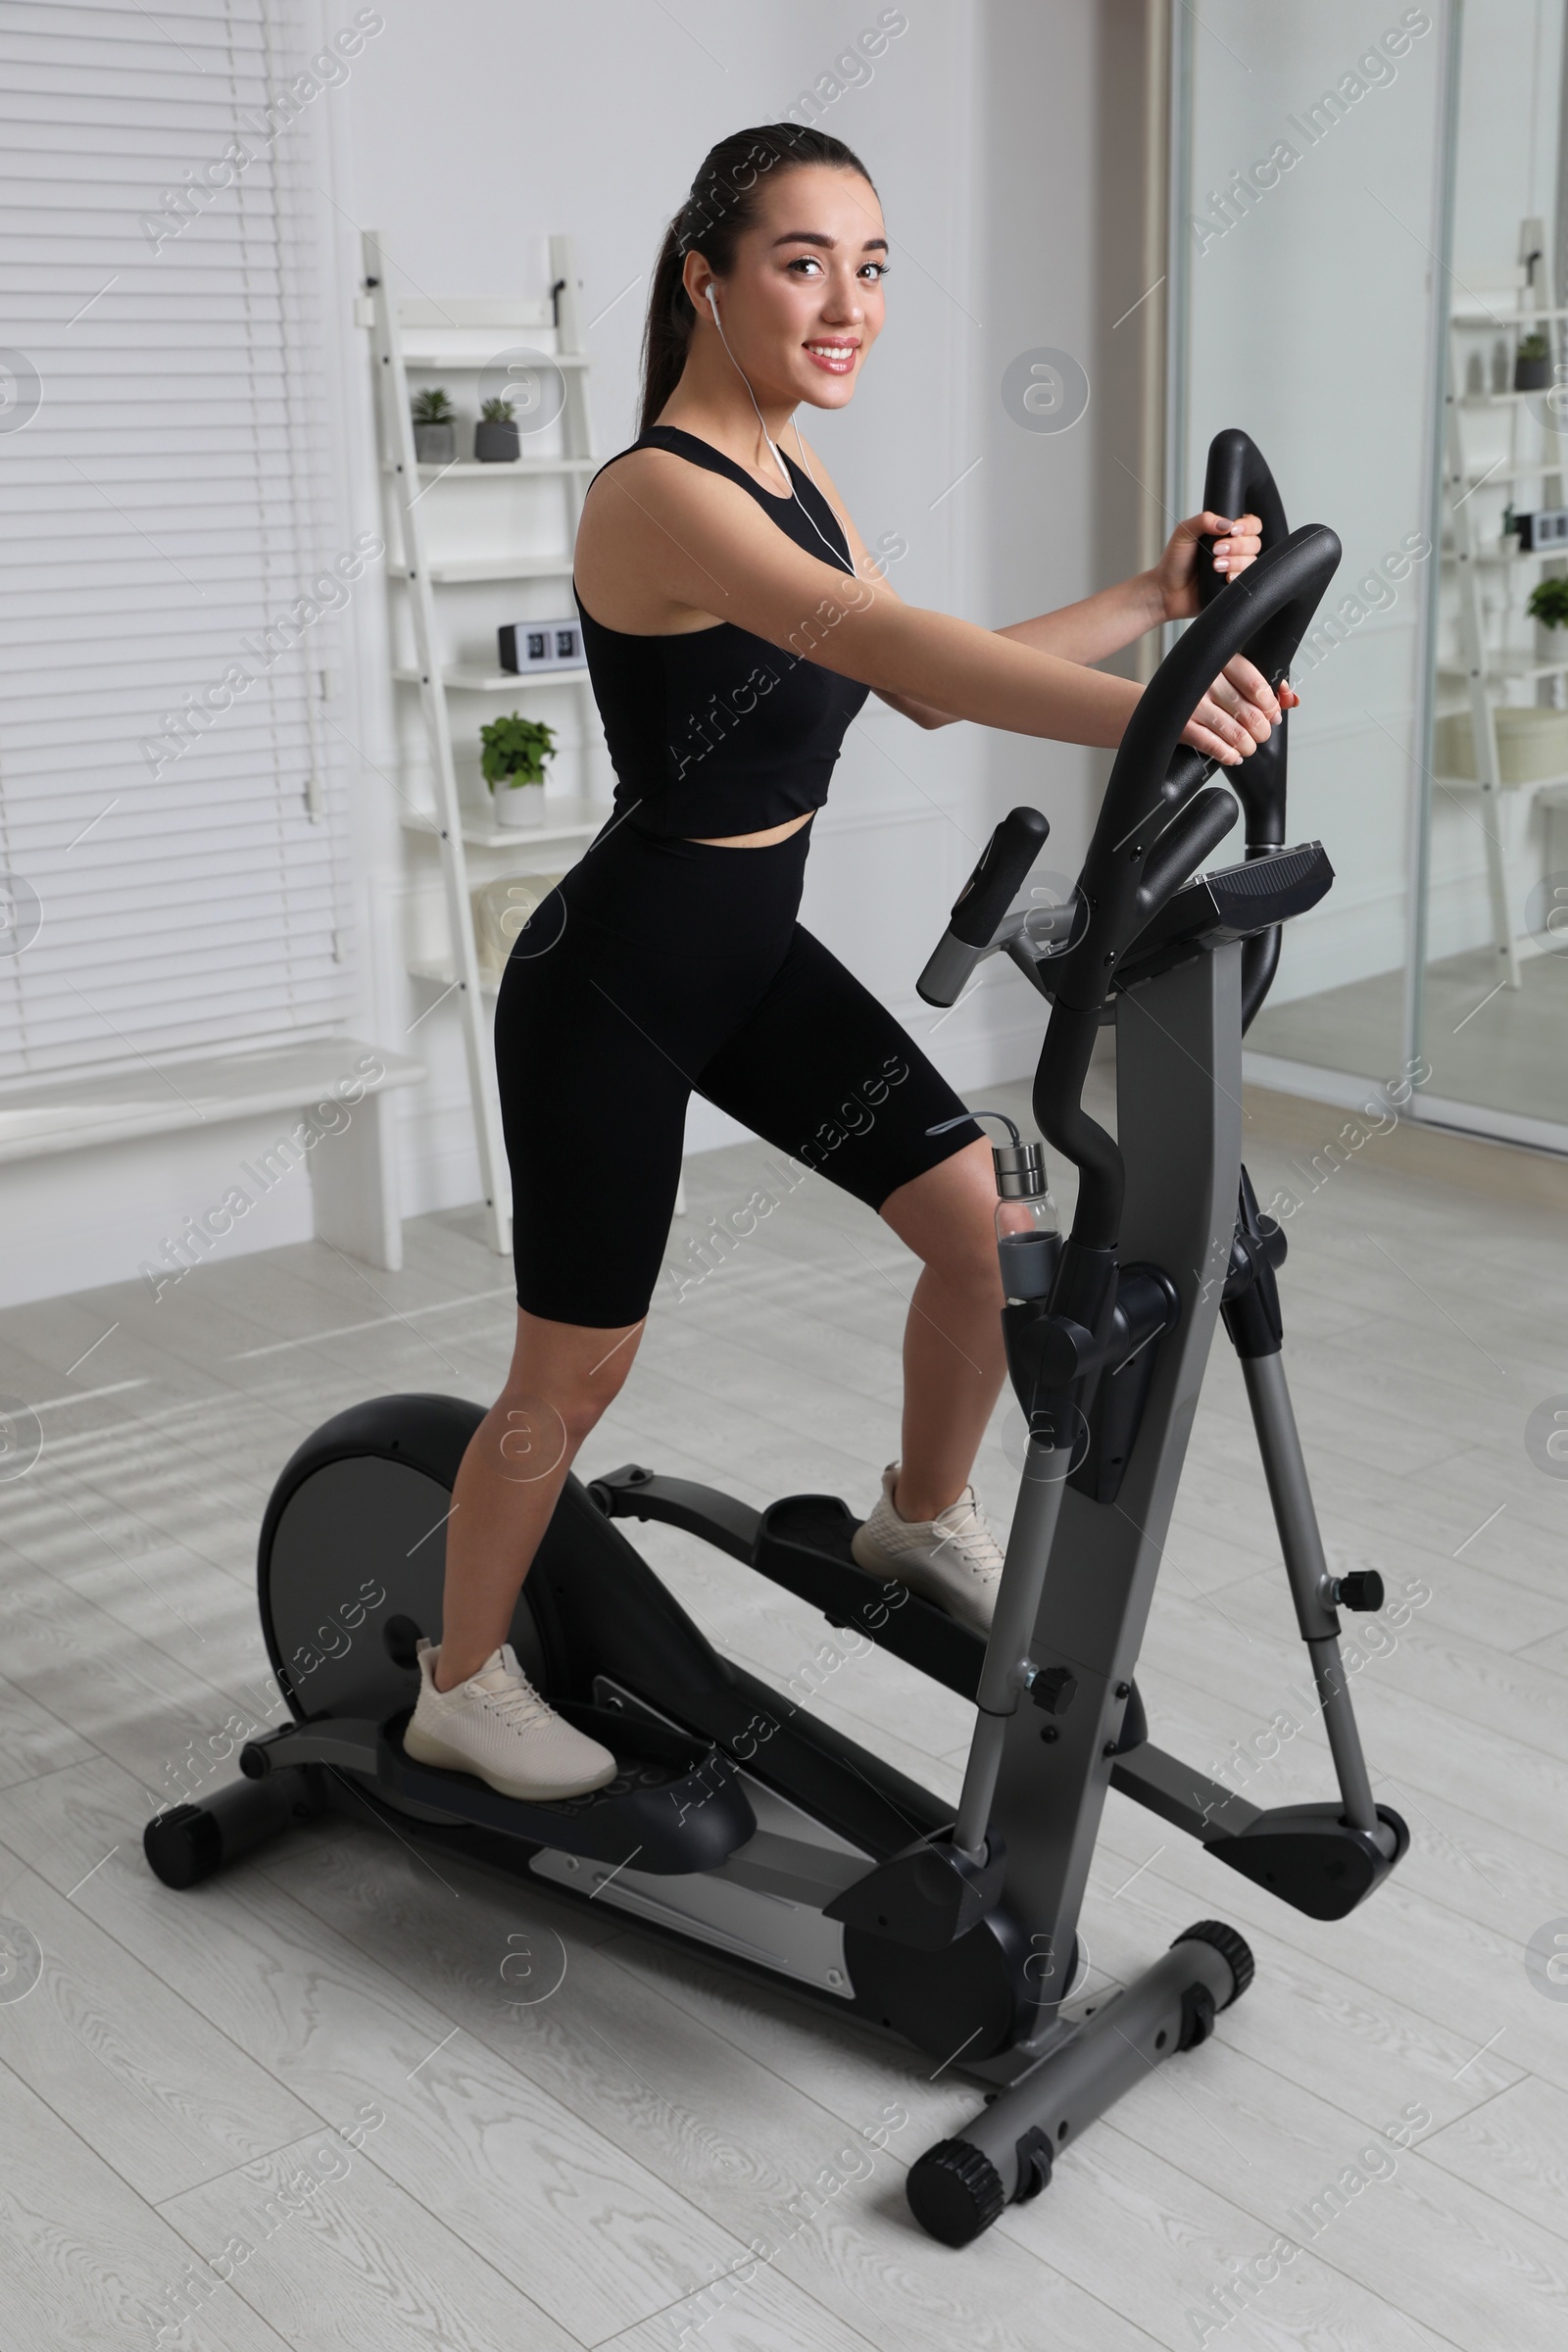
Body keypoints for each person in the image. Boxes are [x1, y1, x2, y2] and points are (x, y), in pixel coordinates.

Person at [405, 122, 1296, 1803]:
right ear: (707, 278)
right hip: (613, 974)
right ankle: (458, 1681)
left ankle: (913, 1512)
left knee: (982, 1232)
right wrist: (1172, 723)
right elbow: (888, 641)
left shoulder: (797, 474)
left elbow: (934, 684)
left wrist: (1146, 603)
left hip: (746, 950)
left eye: (871, 265)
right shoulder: (664, 492)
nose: (848, 302)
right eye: (803, 261)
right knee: (578, 1364)